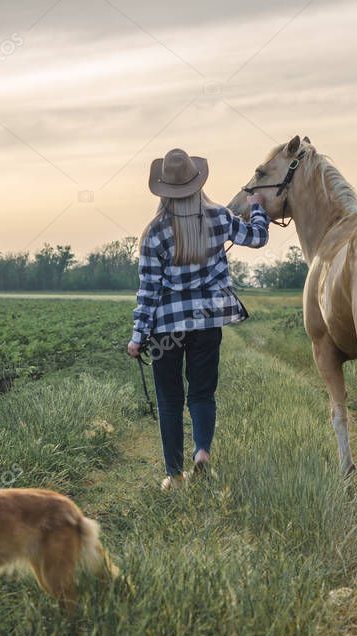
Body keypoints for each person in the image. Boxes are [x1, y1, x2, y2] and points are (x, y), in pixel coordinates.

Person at [127, 148, 269, 490]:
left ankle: (174, 475)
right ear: (197, 183)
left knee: (170, 399)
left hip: (166, 329)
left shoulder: (154, 232)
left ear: (163, 189)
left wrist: (136, 336)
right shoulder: (220, 218)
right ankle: (202, 452)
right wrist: (258, 209)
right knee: (203, 393)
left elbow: (149, 291)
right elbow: (258, 237)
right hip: (207, 321)